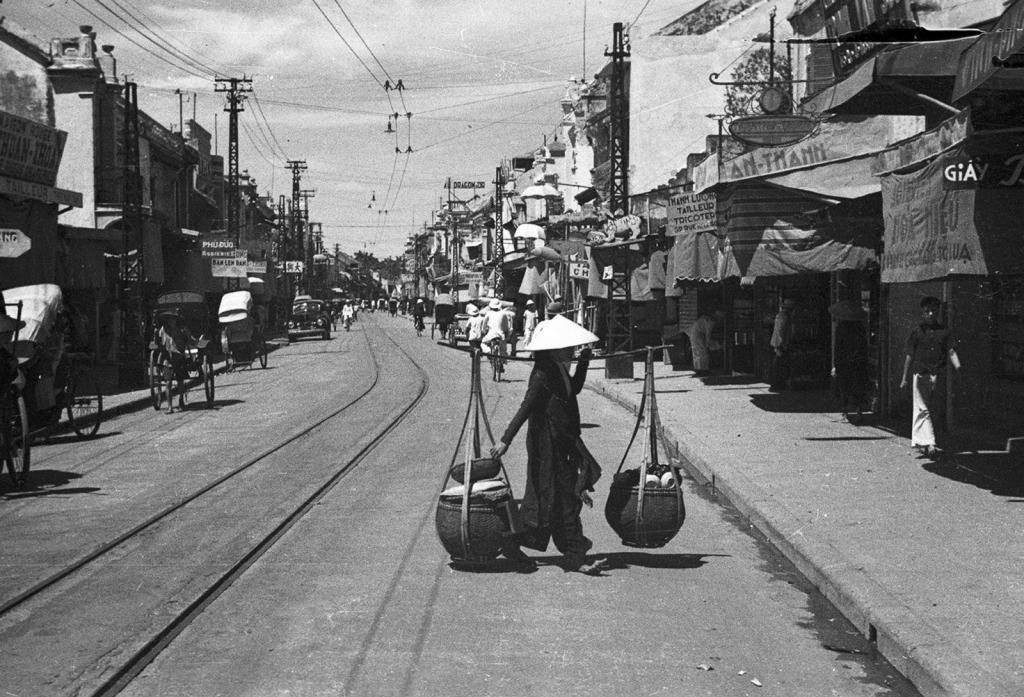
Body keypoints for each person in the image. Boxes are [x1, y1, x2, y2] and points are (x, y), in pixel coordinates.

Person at [490, 314, 604, 574]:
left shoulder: (559, 368)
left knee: (564, 498)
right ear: (554, 348)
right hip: (546, 448)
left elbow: (572, 389)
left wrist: (583, 362)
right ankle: (515, 541)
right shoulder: (542, 373)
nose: (572, 350)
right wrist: (505, 440)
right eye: (569, 347)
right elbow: (526, 407)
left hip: (563, 444)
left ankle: (575, 554)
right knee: (549, 500)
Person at [900, 296, 961, 458]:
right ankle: (931, 443)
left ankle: (922, 442)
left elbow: (951, 351)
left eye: (934, 310)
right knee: (923, 408)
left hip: (938, 375)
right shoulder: (917, 332)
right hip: (920, 374)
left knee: (931, 409)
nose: (931, 314)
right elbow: (909, 356)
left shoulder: (945, 332)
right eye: (927, 311)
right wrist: (904, 377)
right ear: (922, 313)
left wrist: (958, 367)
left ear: (938, 312)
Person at [830, 299, 870, 423]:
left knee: (844, 387)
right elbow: (864, 346)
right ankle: (859, 412)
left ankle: (845, 412)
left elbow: (838, 348)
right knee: (858, 387)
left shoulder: (841, 328)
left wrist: (835, 364)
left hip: (844, 362)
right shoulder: (861, 328)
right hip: (859, 362)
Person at [157, 312, 193, 408]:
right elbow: (159, 341)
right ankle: (170, 406)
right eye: (169, 319)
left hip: (179, 358)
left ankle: (181, 399)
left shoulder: (182, 330)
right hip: (167, 360)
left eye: (173, 319)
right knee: (168, 383)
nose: (171, 321)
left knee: (180, 381)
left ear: (176, 320)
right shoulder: (163, 330)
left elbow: (189, 340)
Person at [769, 298, 798, 391]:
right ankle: (777, 384)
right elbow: (781, 331)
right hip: (781, 344)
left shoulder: (781, 315)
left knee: (779, 364)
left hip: (778, 343)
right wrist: (781, 344)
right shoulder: (785, 317)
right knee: (780, 364)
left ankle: (777, 383)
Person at [686, 308, 723, 377]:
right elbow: (708, 333)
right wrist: (707, 344)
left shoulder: (706, 319)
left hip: (694, 334)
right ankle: (704, 370)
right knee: (703, 353)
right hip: (698, 335)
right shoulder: (710, 321)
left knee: (697, 353)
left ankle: (698, 369)